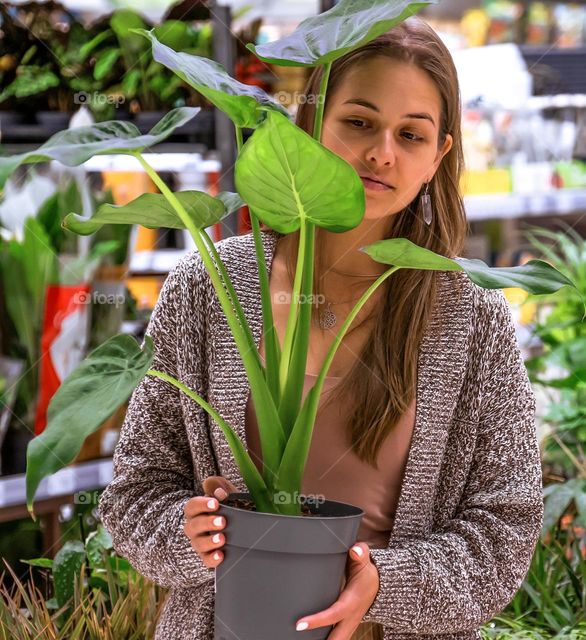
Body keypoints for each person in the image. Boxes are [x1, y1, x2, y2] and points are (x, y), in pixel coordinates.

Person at [96, 17, 544, 640]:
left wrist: (385, 582)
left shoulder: (471, 319)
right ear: (310, 124)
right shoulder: (211, 286)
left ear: (439, 154)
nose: (382, 152)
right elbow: (135, 493)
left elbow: (507, 529)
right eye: (358, 122)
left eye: (411, 135)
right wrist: (188, 531)